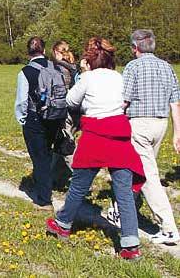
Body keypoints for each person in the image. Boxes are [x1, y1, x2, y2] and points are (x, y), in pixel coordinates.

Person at [46, 37, 145, 261]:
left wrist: (82, 80)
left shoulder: (88, 78)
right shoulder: (120, 77)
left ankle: (63, 223)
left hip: (95, 134)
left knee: (79, 184)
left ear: (89, 59)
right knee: (123, 192)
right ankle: (130, 244)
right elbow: (125, 103)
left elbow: (71, 101)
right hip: (119, 133)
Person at [123, 29, 180, 245]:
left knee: (148, 176)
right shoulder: (167, 67)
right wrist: (177, 133)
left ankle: (168, 227)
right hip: (161, 124)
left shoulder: (132, 67)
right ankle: (121, 209)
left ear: (135, 48)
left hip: (140, 123)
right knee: (137, 169)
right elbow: (175, 103)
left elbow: (124, 100)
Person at [15, 37, 65, 211]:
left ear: (28, 52)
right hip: (55, 116)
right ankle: (45, 183)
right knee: (47, 153)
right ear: (44, 50)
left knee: (39, 157)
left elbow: (22, 100)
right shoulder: (55, 67)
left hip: (35, 119)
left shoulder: (25, 72)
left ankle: (44, 199)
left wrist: (22, 119)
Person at [51, 41, 80, 186]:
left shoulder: (59, 68)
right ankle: (51, 176)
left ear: (57, 52)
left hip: (64, 110)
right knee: (60, 142)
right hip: (75, 110)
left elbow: (58, 91)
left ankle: (79, 179)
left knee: (66, 144)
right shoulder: (73, 67)